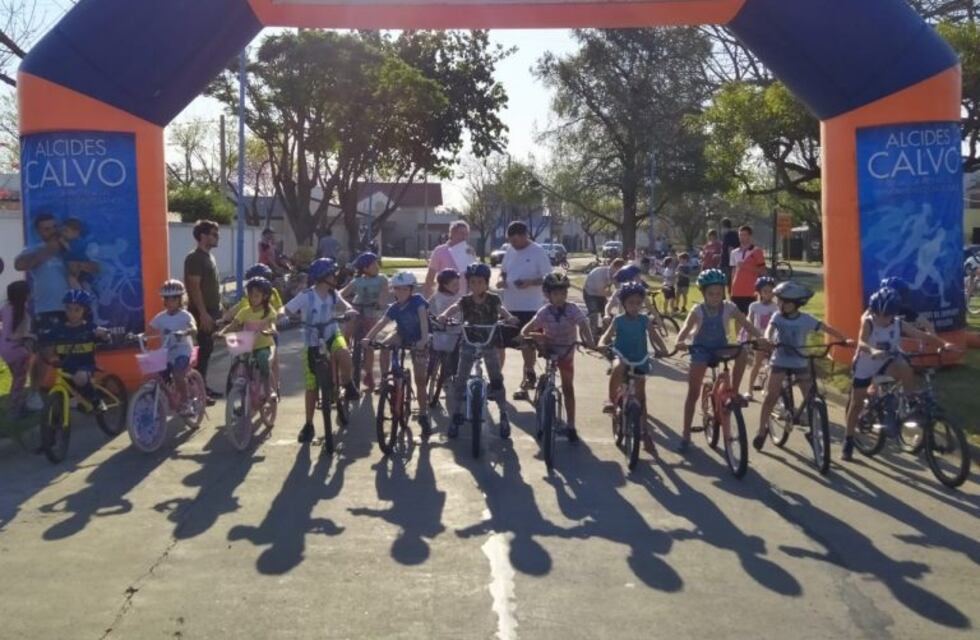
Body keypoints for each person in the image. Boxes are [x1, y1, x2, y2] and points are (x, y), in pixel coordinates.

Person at [841, 287, 954, 461]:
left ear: (894, 313)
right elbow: (862, 342)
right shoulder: (869, 322)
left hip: (887, 362)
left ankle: (908, 403)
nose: (883, 319)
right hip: (866, 364)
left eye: (887, 315)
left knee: (905, 367)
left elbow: (920, 335)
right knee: (856, 404)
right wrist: (872, 350)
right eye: (879, 314)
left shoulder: (898, 323)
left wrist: (943, 344)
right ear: (874, 311)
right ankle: (848, 440)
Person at [753, 281, 851, 451]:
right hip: (780, 360)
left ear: (796, 304)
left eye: (784, 302)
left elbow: (826, 328)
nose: (780, 304)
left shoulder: (806, 319)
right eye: (779, 301)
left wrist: (844, 339)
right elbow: (770, 329)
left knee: (810, 396)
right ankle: (762, 429)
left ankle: (814, 431)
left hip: (799, 361)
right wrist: (767, 338)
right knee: (771, 395)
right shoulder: (777, 317)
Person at [675, 269, 763, 453]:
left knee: (742, 351)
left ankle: (734, 392)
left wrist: (761, 337)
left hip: (721, 347)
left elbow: (746, 324)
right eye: (710, 294)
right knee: (693, 392)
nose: (715, 297)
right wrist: (680, 341)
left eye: (719, 293)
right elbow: (685, 328)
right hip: (700, 351)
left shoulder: (729, 307)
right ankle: (685, 433)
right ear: (703, 293)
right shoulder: (698, 310)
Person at [437, 262, 517, 439]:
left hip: (489, 341)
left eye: (480, 282)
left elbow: (501, 310)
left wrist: (509, 317)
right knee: (461, 378)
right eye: (473, 282)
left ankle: (504, 413)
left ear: (486, 282)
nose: (476, 285)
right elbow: (454, 308)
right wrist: (444, 315)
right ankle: (456, 414)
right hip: (469, 340)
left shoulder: (494, 299)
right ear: (469, 283)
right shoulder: (465, 300)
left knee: (496, 378)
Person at [284, 258, 359, 444]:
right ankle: (309, 425)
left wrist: (350, 311)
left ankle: (348, 384)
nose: (335, 277)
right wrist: (283, 317)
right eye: (332, 274)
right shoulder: (307, 295)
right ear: (323, 277)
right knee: (311, 386)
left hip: (331, 333)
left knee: (344, 354)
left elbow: (345, 306)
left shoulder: (333, 294)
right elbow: (286, 309)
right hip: (311, 340)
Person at [522, 272, 595, 442]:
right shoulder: (544, 311)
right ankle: (542, 408)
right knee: (548, 379)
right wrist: (525, 335)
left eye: (563, 293)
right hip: (550, 349)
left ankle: (571, 425)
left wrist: (589, 341)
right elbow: (529, 327)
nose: (560, 297)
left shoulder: (572, 309)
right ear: (548, 295)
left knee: (568, 388)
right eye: (556, 294)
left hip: (567, 351)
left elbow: (583, 324)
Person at [362, 271, 431, 433]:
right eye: (397, 289)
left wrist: (423, 340)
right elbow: (381, 322)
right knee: (385, 345)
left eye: (405, 289)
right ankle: (385, 378)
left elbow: (423, 321)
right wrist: (367, 338)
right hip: (402, 334)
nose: (401, 293)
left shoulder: (418, 302)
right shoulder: (394, 307)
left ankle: (423, 413)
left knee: (420, 379)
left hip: (420, 338)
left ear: (412, 290)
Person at [15, 213, 71, 402]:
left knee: (72, 351)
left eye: (54, 227)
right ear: (39, 232)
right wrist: (50, 249)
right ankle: (34, 394)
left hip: (72, 308)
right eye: (46, 228)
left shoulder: (67, 248)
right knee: (45, 352)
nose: (52, 231)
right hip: (47, 308)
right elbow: (19, 264)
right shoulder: (34, 248)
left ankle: (70, 392)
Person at [497, 221, 555, 398]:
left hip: (531, 306)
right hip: (509, 306)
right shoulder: (510, 250)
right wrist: (501, 279)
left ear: (525, 236)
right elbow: (504, 271)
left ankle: (527, 380)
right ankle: (496, 379)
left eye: (516, 240)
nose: (514, 244)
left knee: (527, 345)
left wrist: (530, 282)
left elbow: (548, 277)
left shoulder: (537, 251)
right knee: (499, 342)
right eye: (511, 241)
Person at [599, 282, 670, 418]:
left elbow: (655, 336)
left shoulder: (645, 320)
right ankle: (611, 400)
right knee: (618, 367)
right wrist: (601, 343)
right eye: (631, 302)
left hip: (640, 357)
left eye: (638, 303)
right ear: (623, 303)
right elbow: (606, 336)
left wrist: (664, 350)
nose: (635, 306)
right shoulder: (618, 320)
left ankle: (643, 428)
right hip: (621, 354)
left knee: (640, 393)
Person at [183, 219, 222, 403]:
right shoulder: (195, 258)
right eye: (214, 234)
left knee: (206, 351)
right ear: (202, 236)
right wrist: (203, 313)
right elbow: (194, 287)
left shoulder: (209, 257)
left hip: (213, 311)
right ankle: (198, 391)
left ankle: (202, 386)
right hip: (202, 313)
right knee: (201, 353)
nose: (217, 237)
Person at [221, 276, 278, 403]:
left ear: (264, 296)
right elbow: (233, 325)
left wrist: (271, 330)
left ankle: (269, 391)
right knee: (239, 361)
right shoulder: (244, 311)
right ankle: (241, 386)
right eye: (251, 295)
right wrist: (221, 333)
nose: (253, 298)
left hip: (263, 345)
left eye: (257, 295)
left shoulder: (268, 311)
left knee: (263, 361)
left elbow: (272, 324)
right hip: (247, 344)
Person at [50, 289, 109, 409]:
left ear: (85, 311)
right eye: (69, 309)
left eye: (77, 309)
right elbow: (47, 341)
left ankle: (96, 399)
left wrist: (103, 334)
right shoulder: (59, 329)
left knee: (80, 377)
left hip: (85, 366)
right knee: (67, 383)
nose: (72, 313)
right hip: (66, 366)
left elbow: (105, 338)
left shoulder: (89, 328)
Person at [148, 279, 197, 416]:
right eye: (167, 299)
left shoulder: (185, 315)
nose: (170, 302)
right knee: (158, 375)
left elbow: (193, 327)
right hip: (167, 352)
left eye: (174, 298)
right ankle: (167, 399)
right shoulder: (161, 317)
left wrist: (186, 331)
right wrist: (137, 336)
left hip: (183, 351)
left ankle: (187, 402)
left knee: (177, 373)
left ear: (180, 299)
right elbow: (149, 330)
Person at [340, 252, 389, 391]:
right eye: (373, 264)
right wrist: (344, 302)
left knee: (369, 343)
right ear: (365, 268)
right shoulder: (357, 281)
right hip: (357, 308)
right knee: (347, 330)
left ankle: (369, 376)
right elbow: (341, 294)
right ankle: (346, 349)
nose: (376, 266)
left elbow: (384, 294)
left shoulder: (382, 279)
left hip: (371, 311)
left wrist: (381, 303)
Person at [0, 281, 34, 415]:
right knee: (20, 380)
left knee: (15, 377)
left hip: (4, 349)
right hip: (18, 351)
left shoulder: (6, 308)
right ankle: (15, 408)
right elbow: (24, 334)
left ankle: (18, 403)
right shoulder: (24, 313)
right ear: (25, 295)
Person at [428, 268, 462, 399]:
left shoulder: (460, 298)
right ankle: (432, 375)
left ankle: (451, 377)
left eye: (458, 284)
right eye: (454, 284)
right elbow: (428, 312)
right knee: (435, 354)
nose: (458, 287)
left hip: (457, 331)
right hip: (440, 331)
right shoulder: (436, 297)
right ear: (444, 285)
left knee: (455, 356)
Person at [745, 276, 778, 399]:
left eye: (771, 291)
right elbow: (749, 322)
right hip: (759, 339)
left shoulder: (776, 307)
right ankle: (749, 390)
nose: (769, 294)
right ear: (759, 292)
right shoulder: (754, 306)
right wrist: (749, 339)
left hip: (773, 340)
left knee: (773, 365)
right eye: (765, 291)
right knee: (757, 363)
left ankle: (768, 387)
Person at [424, 220, 476, 297]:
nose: (464, 237)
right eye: (461, 233)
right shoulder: (440, 251)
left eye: (466, 234)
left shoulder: (469, 251)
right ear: (452, 234)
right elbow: (430, 277)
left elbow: (474, 276)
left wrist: (473, 257)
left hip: (464, 298)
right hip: (444, 297)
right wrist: (429, 299)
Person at [729, 225, 767, 314]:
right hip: (736, 291)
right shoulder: (734, 252)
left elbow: (763, 271)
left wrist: (746, 267)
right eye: (740, 235)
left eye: (744, 235)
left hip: (750, 291)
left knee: (749, 317)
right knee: (737, 317)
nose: (742, 237)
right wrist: (731, 288)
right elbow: (733, 272)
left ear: (750, 236)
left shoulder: (757, 251)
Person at [583, 258, 624, 336]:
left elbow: (618, 287)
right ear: (613, 266)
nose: (619, 273)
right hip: (590, 293)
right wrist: (612, 295)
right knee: (594, 313)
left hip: (600, 294)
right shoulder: (599, 274)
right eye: (619, 270)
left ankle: (605, 334)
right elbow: (602, 291)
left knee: (606, 314)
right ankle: (592, 336)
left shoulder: (614, 275)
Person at [719, 219, 740, 291]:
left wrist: (732, 263)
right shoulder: (734, 235)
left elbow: (730, 249)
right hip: (728, 263)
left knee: (723, 283)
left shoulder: (729, 235)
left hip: (727, 264)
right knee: (730, 284)